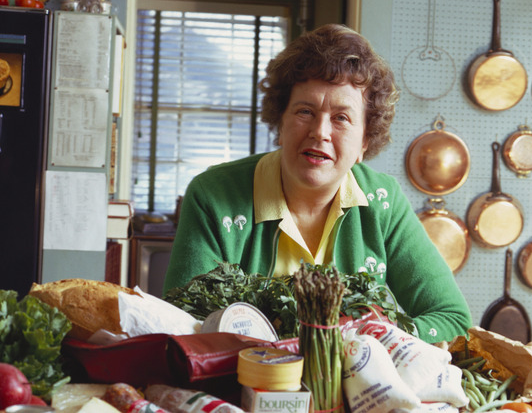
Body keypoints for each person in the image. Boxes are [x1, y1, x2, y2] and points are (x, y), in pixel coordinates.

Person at [163, 24, 472, 343]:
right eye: (305, 111)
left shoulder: (384, 202)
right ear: (280, 122)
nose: (320, 132)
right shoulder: (213, 195)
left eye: (341, 118)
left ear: (365, 140)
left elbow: (453, 319)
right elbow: (182, 323)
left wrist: (380, 337)